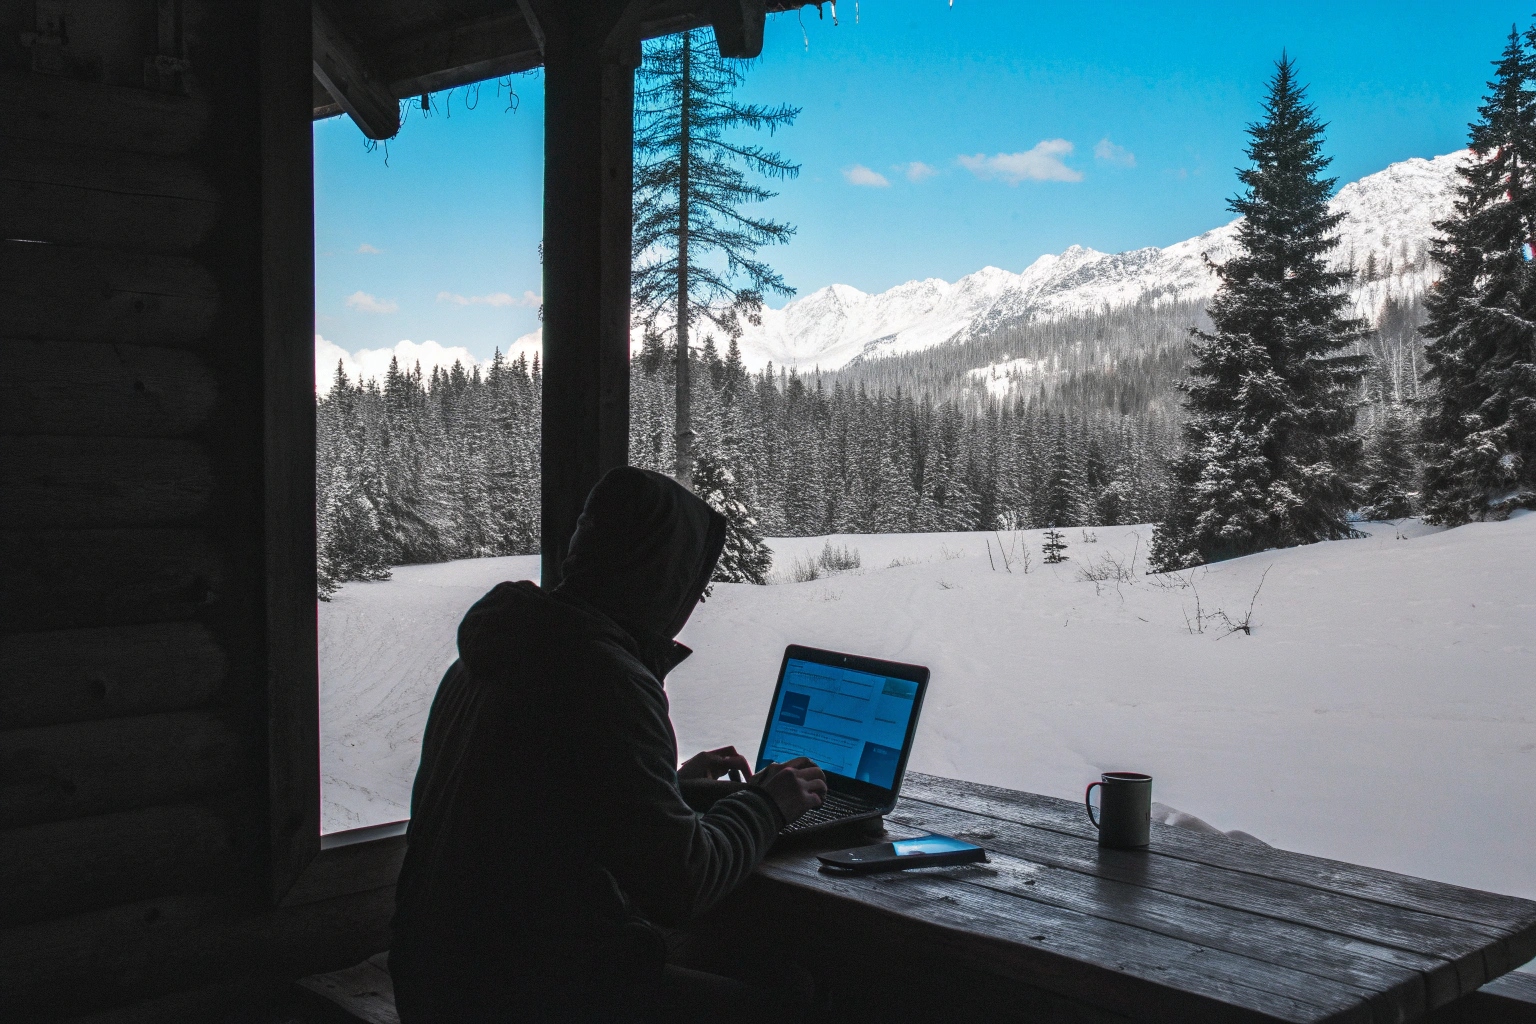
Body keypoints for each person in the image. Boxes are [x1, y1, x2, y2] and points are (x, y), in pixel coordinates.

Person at [390, 467, 828, 1023]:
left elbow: (543, 803)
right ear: (661, 574)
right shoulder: (605, 679)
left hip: (436, 975)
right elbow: (681, 883)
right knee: (792, 999)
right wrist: (768, 805)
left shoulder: (498, 648)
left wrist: (666, 784)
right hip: (524, 993)